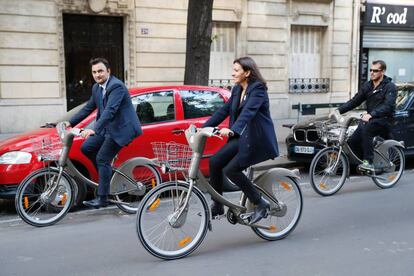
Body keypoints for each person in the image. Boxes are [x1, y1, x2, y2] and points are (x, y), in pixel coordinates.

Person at [203, 56, 279, 224]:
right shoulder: (237, 89)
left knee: (231, 170)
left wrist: (232, 130)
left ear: (247, 72)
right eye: (233, 70)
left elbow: (248, 113)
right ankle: (217, 205)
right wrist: (203, 127)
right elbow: (224, 111)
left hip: (256, 140)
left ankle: (260, 203)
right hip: (242, 137)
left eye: (236, 70)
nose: (233, 73)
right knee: (215, 162)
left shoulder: (258, 89)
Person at [67, 57, 142, 208]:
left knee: (102, 158)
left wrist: (93, 129)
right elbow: (88, 108)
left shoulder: (117, 86)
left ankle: (103, 198)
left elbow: (110, 111)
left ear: (108, 71)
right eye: (94, 72)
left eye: (100, 71)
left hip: (122, 130)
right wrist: (70, 122)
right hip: (108, 128)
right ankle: (107, 177)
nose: (97, 75)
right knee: (86, 148)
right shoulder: (96, 88)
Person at [331, 60, 397, 172]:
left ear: (382, 72)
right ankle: (366, 163)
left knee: (367, 130)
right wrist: (338, 110)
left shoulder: (390, 87)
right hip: (370, 119)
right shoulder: (368, 85)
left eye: (375, 71)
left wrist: (372, 114)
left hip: (384, 120)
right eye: (371, 70)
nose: (372, 72)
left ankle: (369, 162)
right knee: (352, 141)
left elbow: (388, 105)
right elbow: (355, 101)